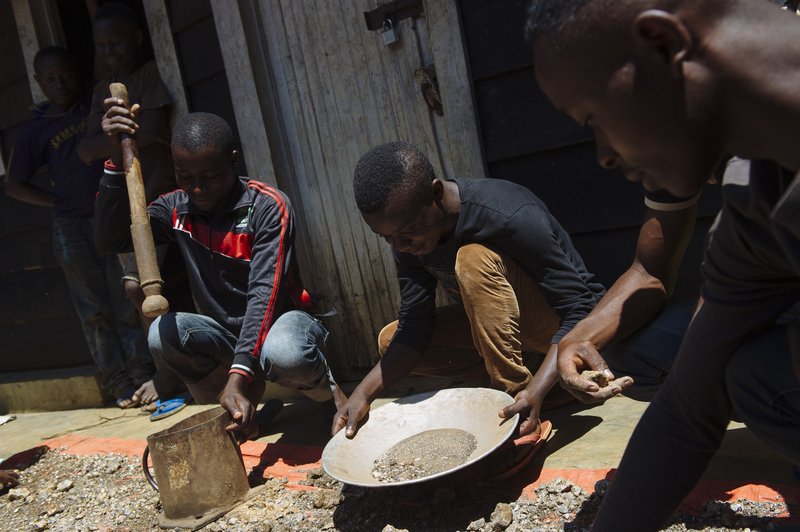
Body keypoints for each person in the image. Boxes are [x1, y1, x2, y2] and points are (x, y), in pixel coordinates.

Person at [526, 0, 800, 529]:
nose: (603, 154)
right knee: (745, 371)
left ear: (663, 45)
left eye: (592, 118)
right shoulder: (755, 206)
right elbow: (686, 412)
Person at [333, 141, 613, 460]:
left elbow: (581, 308)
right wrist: (363, 393)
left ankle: (519, 410)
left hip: (566, 330)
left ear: (436, 193)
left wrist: (534, 389)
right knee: (390, 342)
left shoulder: (505, 213)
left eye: (408, 230)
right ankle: (545, 390)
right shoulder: (407, 242)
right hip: (515, 339)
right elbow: (415, 328)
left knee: (472, 260)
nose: (400, 245)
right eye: (386, 237)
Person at [95, 109, 346, 440]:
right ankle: (238, 416)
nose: (197, 189)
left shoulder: (267, 206)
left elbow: (263, 299)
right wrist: (115, 158)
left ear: (233, 160)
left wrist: (238, 375)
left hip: (280, 324)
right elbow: (110, 239)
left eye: (209, 177)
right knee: (162, 333)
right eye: (185, 176)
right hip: (226, 335)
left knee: (285, 352)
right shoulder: (176, 208)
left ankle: (333, 399)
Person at [5, 46, 152, 408]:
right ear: (38, 82)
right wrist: (55, 202)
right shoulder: (36, 129)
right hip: (71, 225)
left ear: (79, 73)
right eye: (50, 79)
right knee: (93, 307)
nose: (60, 83)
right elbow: (14, 184)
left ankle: (142, 375)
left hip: (110, 214)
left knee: (125, 297)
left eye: (66, 75)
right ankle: (118, 383)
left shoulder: (93, 109)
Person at [77, 1, 185, 409]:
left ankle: (173, 372)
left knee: (152, 288)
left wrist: (129, 128)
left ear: (138, 38)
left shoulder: (149, 74)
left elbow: (156, 128)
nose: (111, 52)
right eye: (103, 46)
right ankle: (169, 369)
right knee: (135, 289)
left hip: (161, 195)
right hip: (128, 208)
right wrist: (110, 135)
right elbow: (86, 150)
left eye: (118, 42)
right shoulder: (102, 90)